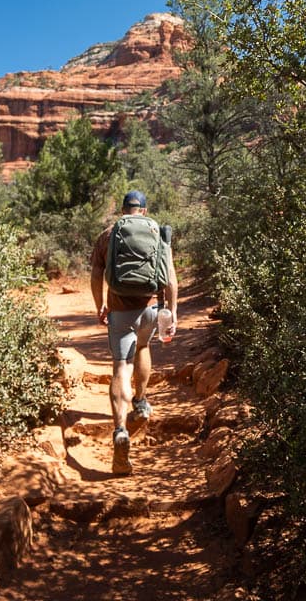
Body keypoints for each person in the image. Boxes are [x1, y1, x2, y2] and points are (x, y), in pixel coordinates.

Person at [91, 189, 179, 475]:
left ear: (124, 210)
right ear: (143, 209)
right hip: (151, 309)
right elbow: (171, 279)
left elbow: (95, 274)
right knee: (143, 348)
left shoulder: (109, 234)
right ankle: (140, 402)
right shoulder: (157, 232)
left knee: (120, 366)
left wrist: (100, 306)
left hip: (119, 312)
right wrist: (172, 311)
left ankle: (119, 430)